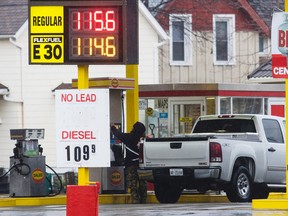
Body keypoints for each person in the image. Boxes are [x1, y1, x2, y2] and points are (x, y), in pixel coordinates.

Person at [110, 122, 147, 204]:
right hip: (143, 165)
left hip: (131, 165)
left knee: (133, 185)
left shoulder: (129, 137)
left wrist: (113, 127)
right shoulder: (145, 139)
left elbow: (118, 134)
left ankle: (135, 201)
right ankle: (144, 200)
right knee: (143, 184)